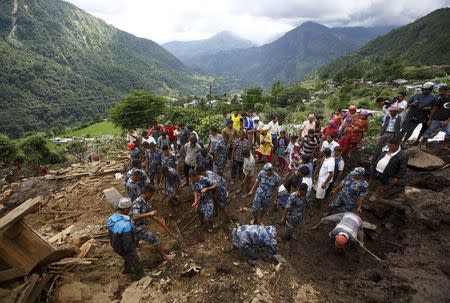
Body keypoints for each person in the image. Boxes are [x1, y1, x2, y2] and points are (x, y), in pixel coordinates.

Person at [129, 185, 175, 261]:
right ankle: (165, 257)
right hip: (136, 226)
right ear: (147, 193)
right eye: (151, 194)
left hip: (139, 225)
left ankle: (134, 251)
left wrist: (154, 218)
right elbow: (135, 217)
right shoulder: (138, 202)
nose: (152, 196)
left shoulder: (145, 201)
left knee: (135, 240)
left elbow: (146, 212)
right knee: (155, 238)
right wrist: (149, 214)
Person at [107, 198, 143, 279]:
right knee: (134, 259)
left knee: (127, 257)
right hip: (123, 247)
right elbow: (128, 244)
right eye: (130, 208)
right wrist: (133, 253)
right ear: (126, 209)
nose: (131, 210)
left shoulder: (111, 218)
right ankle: (141, 276)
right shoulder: (126, 225)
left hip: (115, 245)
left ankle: (127, 270)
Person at [419, 85, 449, 150]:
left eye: (441, 91)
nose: (439, 93)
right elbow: (434, 110)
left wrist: (447, 120)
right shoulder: (440, 99)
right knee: (429, 131)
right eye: (439, 91)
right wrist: (430, 119)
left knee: (449, 133)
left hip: (446, 120)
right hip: (436, 119)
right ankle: (423, 143)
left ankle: (444, 145)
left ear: (446, 91)